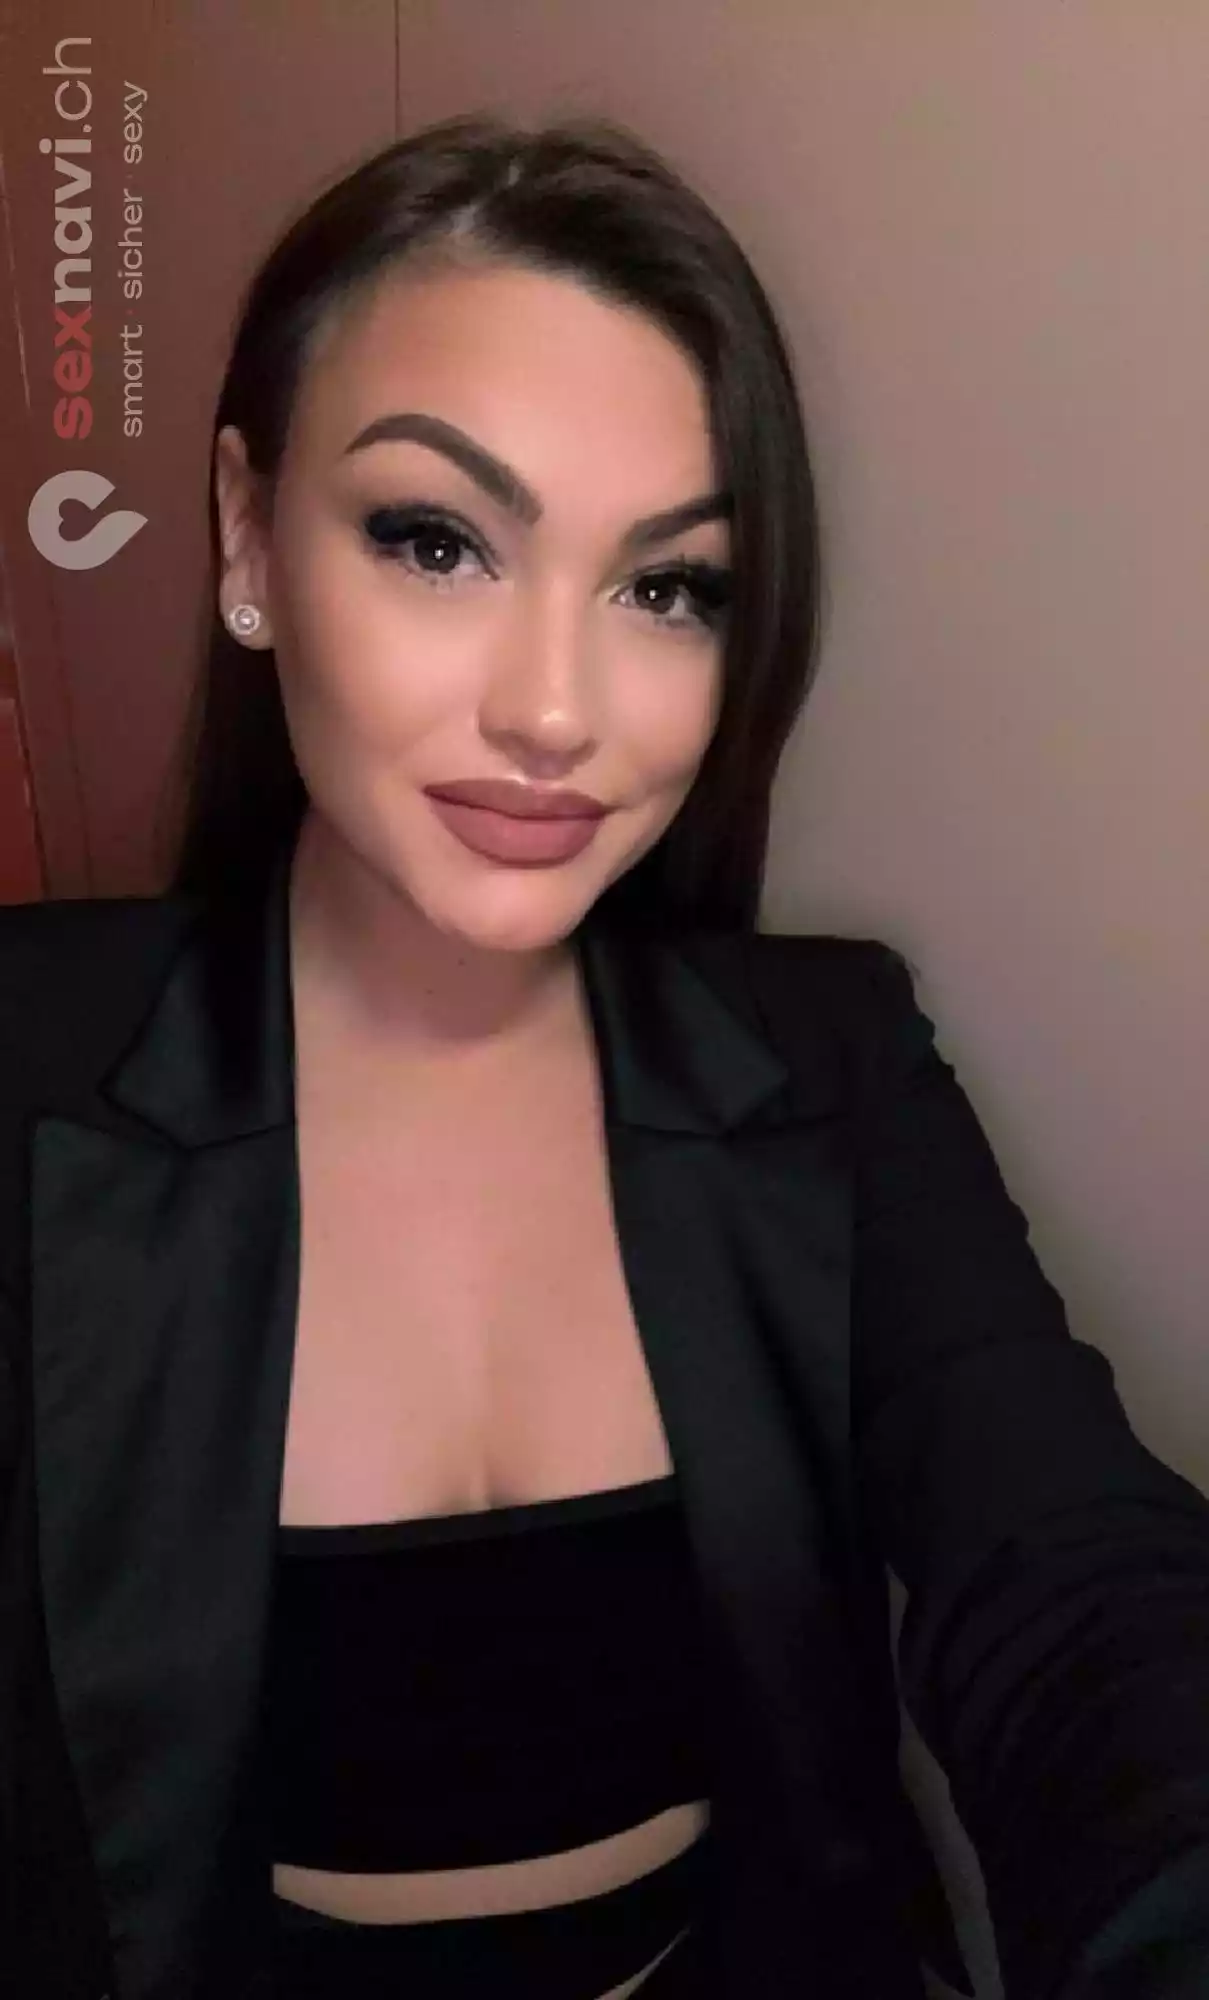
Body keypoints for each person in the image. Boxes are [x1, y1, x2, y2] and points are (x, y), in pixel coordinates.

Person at [0, 112, 1206, 2000]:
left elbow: (1075, 1582)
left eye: (668, 588)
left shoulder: (833, 1061)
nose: (556, 710)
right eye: (436, 542)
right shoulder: (32, 1066)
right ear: (245, 536)